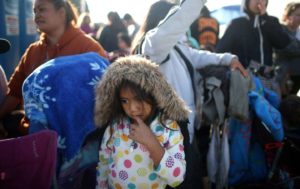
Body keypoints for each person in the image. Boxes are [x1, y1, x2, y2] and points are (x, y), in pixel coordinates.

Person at [132, 0, 248, 143]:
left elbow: (196, 56)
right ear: (165, 20)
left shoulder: (176, 47)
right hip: (166, 136)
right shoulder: (153, 47)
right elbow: (181, 17)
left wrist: (228, 59)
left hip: (183, 129)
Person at [0, 0, 107, 137]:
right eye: (35, 11)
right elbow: (14, 93)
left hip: (77, 139)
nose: (37, 15)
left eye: (42, 9)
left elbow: (105, 92)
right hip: (33, 136)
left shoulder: (88, 47)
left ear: (61, 12)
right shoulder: (33, 51)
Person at [94, 55, 189, 189]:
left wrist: (151, 142)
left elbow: (176, 178)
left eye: (139, 98)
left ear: (154, 94)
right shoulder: (116, 126)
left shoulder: (168, 127)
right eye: (124, 101)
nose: (132, 108)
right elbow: (103, 164)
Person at [216, 0, 291, 69]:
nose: (259, 1)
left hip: (266, 75)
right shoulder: (237, 24)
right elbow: (221, 50)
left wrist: (265, 18)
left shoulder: (272, 21)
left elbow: (283, 43)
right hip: (243, 74)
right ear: (247, 2)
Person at [274, 2, 300, 95]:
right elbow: (285, 48)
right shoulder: (280, 30)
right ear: (288, 15)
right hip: (282, 76)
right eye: (297, 15)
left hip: (297, 77)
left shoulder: (298, 33)